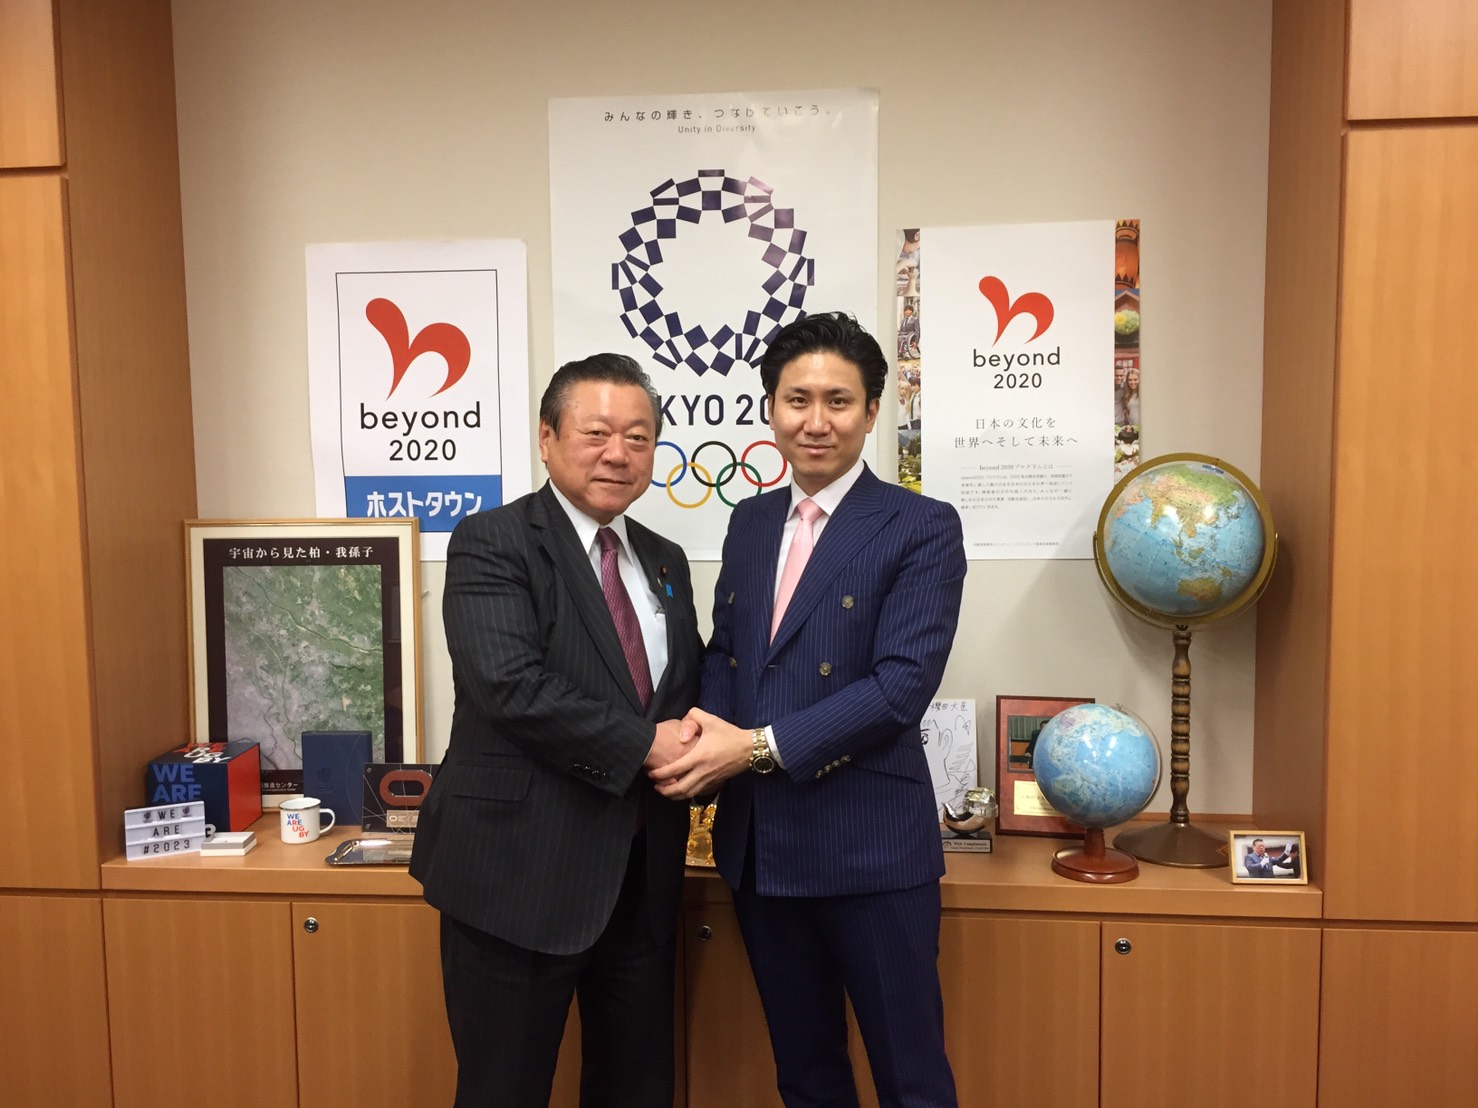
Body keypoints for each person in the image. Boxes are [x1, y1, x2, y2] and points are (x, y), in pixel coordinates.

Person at [651, 312, 966, 1108]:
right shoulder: (752, 521)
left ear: (871, 410)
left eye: (838, 401)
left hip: (871, 848)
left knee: (912, 1081)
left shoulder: (921, 525)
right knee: (806, 1075)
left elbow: (899, 687)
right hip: (763, 848)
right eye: (797, 400)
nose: (815, 421)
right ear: (770, 409)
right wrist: (701, 733)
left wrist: (752, 748)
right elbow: (728, 653)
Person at [409, 353, 703, 1107]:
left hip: (640, 879)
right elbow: (511, 686)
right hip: (517, 876)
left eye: (638, 437)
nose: (618, 453)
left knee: (637, 1089)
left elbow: (680, 689)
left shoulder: (665, 561)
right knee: (503, 1092)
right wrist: (647, 745)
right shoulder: (492, 540)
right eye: (596, 432)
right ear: (547, 438)